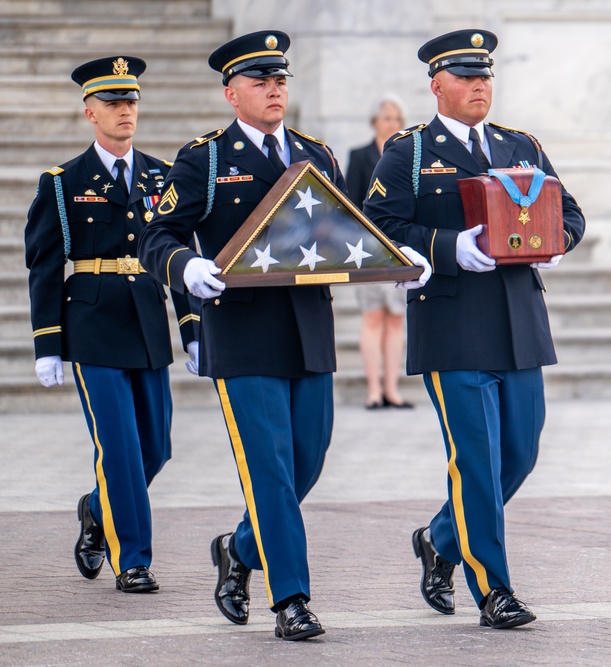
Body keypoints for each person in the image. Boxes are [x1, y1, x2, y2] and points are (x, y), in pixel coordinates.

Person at [138, 30, 427, 642]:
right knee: (269, 469)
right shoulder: (206, 158)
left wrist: (394, 256)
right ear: (231, 94)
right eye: (260, 81)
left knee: (308, 460)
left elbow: (348, 228)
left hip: (308, 331)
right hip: (241, 335)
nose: (274, 89)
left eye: (281, 80)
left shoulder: (314, 154)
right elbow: (156, 235)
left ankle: (239, 551)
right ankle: (290, 598)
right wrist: (186, 268)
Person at [363, 29, 586, 628]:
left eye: (485, 75)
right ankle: (494, 590)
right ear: (437, 85)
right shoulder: (407, 151)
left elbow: (570, 212)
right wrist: (448, 246)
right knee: (477, 462)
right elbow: (378, 230)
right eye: (465, 76)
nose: (479, 85)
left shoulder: (521, 145)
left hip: (518, 319)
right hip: (452, 321)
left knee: (521, 452)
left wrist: (555, 243)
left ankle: (439, 538)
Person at [24, 56, 199, 594]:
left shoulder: (160, 176)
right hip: (93, 325)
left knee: (156, 447)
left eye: (131, 102)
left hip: (147, 321)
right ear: (89, 113)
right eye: (113, 104)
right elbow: (45, 263)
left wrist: (192, 329)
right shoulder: (63, 182)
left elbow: (179, 253)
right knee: (120, 450)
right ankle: (134, 561)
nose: (125, 111)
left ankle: (95, 508)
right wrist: (47, 343)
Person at [345, 95, 413, 409]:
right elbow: (350, 203)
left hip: (400, 248)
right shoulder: (359, 156)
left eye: (397, 118)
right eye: (387, 117)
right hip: (369, 250)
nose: (392, 124)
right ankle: (373, 390)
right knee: (373, 317)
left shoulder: (409, 155)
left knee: (397, 318)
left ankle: (392, 389)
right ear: (375, 121)